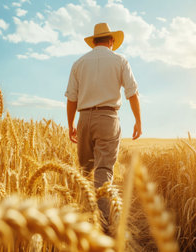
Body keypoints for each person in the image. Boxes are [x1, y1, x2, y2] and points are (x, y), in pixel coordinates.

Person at [65, 23, 142, 231]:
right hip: (108, 117)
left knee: (85, 171)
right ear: (111, 41)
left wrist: (71, 124)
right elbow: (132, 93)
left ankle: (83, 222)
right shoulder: (120, 60)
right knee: (104, 171)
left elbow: (72, 99)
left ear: (94, 42)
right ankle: (103, 225)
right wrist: (138, 121)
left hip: (84, 118)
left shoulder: (79, 63)